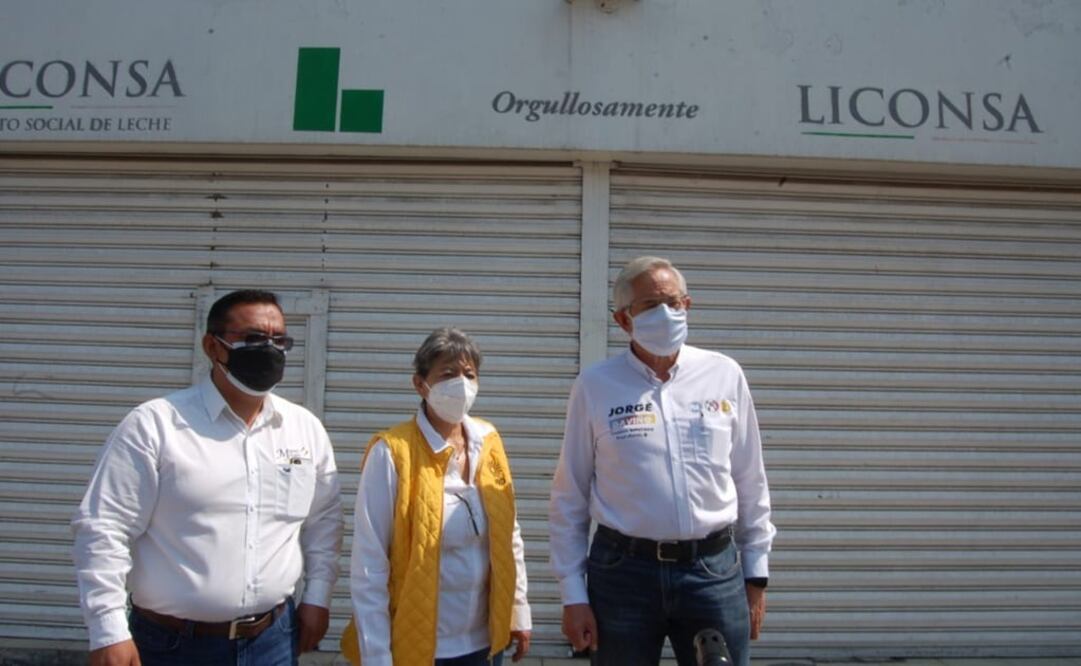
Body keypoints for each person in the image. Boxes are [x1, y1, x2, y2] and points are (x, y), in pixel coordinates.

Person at [71, 289, 343, 666]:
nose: (269, 349)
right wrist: (107, 630)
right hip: (174, 646)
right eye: (253, 339)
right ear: (212, 347)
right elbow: (103, 529)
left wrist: (318, 596)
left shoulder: (304, 429)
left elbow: (323, 522)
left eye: (280, 340)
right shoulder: (155, 426)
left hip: (274, 640)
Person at [549, 256, 776, 666]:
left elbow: (750, 478)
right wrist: (572, 594)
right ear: (623, 319)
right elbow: (570, 495)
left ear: (688, 306)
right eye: (651, 305)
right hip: (623, 575)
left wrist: (755, 573)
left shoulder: (724, 375)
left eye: (674, 303)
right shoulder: (595, 386)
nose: (667, 314)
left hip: (713, 571)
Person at [341, 327, 531, 666]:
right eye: (447, 373)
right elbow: (369, 564)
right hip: (419, 648)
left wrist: (517, 611)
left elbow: (509, 535)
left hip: (485, 644)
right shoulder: (391, 452)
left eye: (469, 374)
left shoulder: (488, 439)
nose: (461, 383)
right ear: (419, 384)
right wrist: (377, 658)